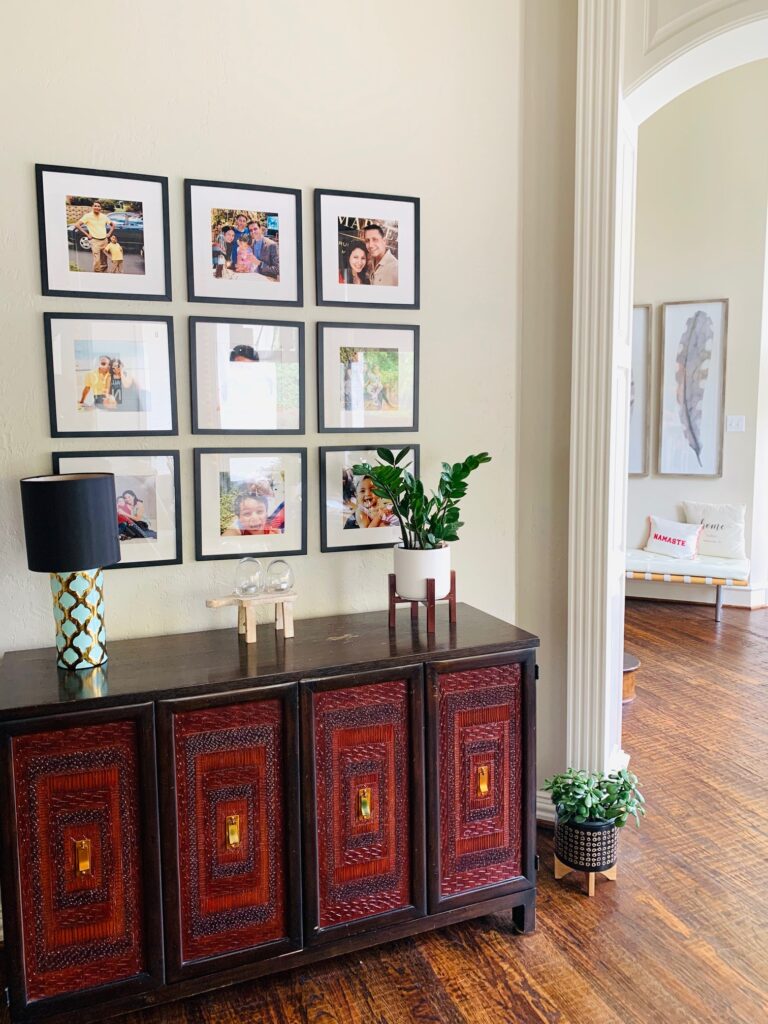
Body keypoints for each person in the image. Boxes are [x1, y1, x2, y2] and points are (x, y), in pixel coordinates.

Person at [74, 201, 115, 273]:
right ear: (92, 207)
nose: (97, 207)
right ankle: (96, 274)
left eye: (98, 206)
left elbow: (113, 225)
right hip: (95, 241)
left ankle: (103, 274)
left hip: (105, 241)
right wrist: (87, 235)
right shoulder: (87, 216)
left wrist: (109, 234)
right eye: (95, 206)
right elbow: (77, 225)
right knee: (97, 261)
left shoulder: (104, 216)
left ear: (100, 208)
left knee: (104, 260)